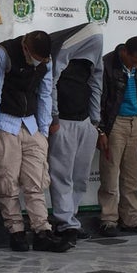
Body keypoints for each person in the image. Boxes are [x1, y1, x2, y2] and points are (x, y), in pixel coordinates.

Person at [0, 31, 70, 253]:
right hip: (5, 124)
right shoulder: (4, 53)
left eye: (42, 59)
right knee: (7, 183)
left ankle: (42, 231)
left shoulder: (46, 60)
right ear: (25, 47)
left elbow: (45, 94)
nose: (38, 62)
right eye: (35, 57)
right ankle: (15, 231)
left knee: (36, 181)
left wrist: (43, 132)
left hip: (32, 125)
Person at [47, 23, 104, 246]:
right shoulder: (59, 57)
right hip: (63, 122)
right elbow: (51, 83)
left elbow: (96, 84)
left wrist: (95, 121)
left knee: (80, 176)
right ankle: (65, 223)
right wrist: (54, 117)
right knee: (61, 175)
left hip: (85, 122)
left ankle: (71, 218)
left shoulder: (90, 60)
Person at [97, 36, 137, 237]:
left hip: (135, 121)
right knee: (110, 172)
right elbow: (100, 99)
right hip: (114, 122)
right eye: (133, 61)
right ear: (124, 52)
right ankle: (108, 220)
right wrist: (101, 130)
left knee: (132, 174)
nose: (135, 65)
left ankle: (131, 218)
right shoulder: (107, 64)